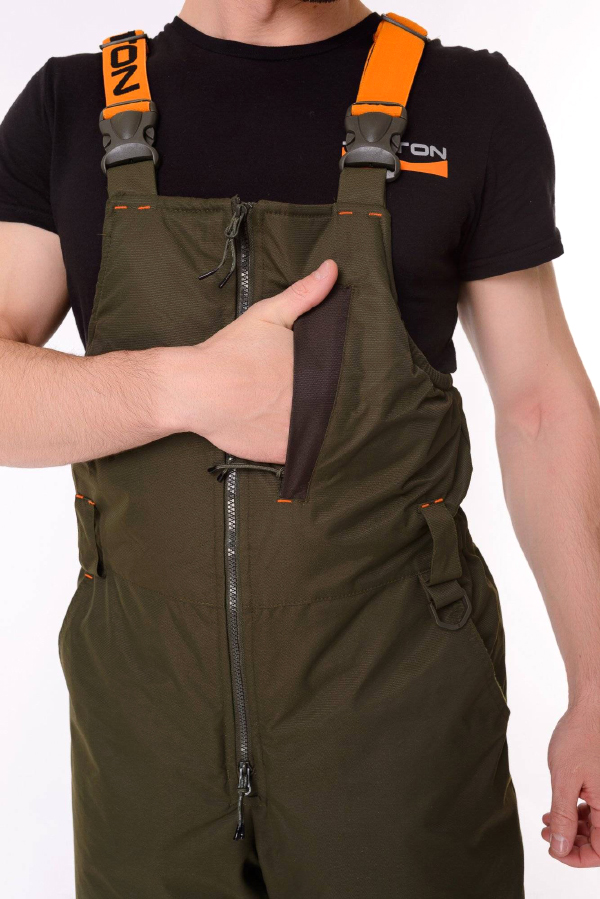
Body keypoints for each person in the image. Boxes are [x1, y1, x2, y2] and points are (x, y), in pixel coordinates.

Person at [0, 1, 598, 896]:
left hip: (400, 731)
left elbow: (541, 405)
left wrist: (595, 687)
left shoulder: (467, 100)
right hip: (143, 744)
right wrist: (184, 388)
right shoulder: (70, 106)